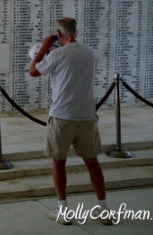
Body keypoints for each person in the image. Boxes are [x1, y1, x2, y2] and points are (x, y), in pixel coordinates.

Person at [29, 17, 111, 225]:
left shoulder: (57, 54)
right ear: (76, 32)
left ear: (58, 34)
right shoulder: (90, 52)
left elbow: (34, 71)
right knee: (92, 162)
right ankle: (104, 210)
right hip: (87, 115)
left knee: (58, 162)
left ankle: (63, 210)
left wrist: (44, 48)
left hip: (63, 115)